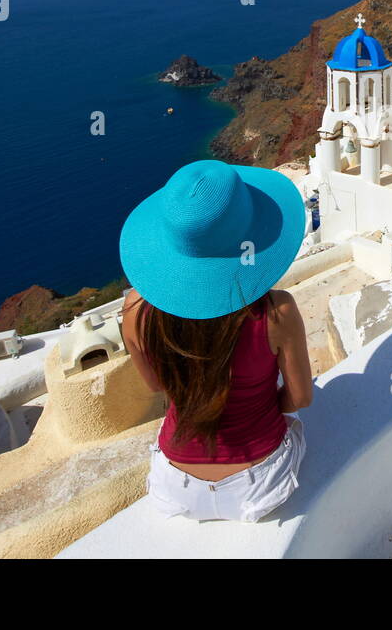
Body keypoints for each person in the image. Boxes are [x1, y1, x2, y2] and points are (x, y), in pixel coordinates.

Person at [117, 159, 313, 522]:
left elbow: (158, 384)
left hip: (176, 484)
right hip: (260, 483)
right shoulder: (277, 312)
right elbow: (300, 397)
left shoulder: (135, 311)